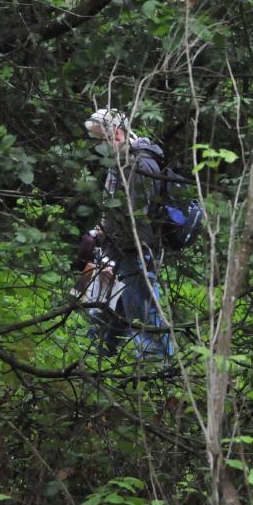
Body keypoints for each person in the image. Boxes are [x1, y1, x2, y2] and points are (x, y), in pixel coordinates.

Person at [81, 107, 173, 358]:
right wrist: (100, 237)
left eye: (102, 140)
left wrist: (113, 256)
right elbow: (110, 206)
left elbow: (137, 217)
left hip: (136, 250)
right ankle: (97, 359)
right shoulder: (117, 162)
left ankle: (160, 371)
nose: (99, 147)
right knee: (102, 309)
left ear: (118, 134)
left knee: (144, 314)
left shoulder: (142, 163)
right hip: (116, 248)